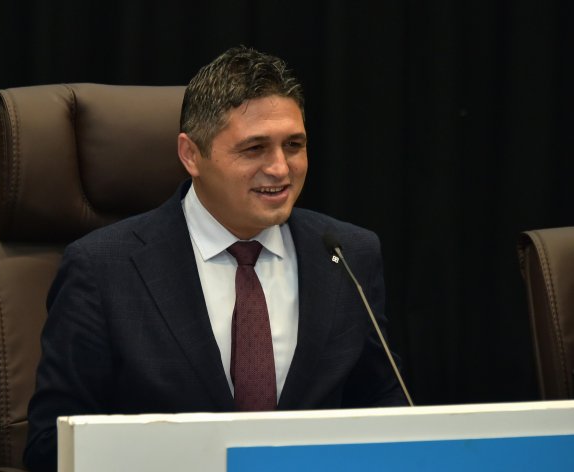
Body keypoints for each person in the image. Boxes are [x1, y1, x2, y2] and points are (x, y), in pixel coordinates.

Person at [24, 46, 407, 471]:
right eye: (254, 148)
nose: (281, 168)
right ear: (191, 155)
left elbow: (383, 405)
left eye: (294, 145)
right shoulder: (102, 269)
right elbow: (51, 445)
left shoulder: (347, 255)